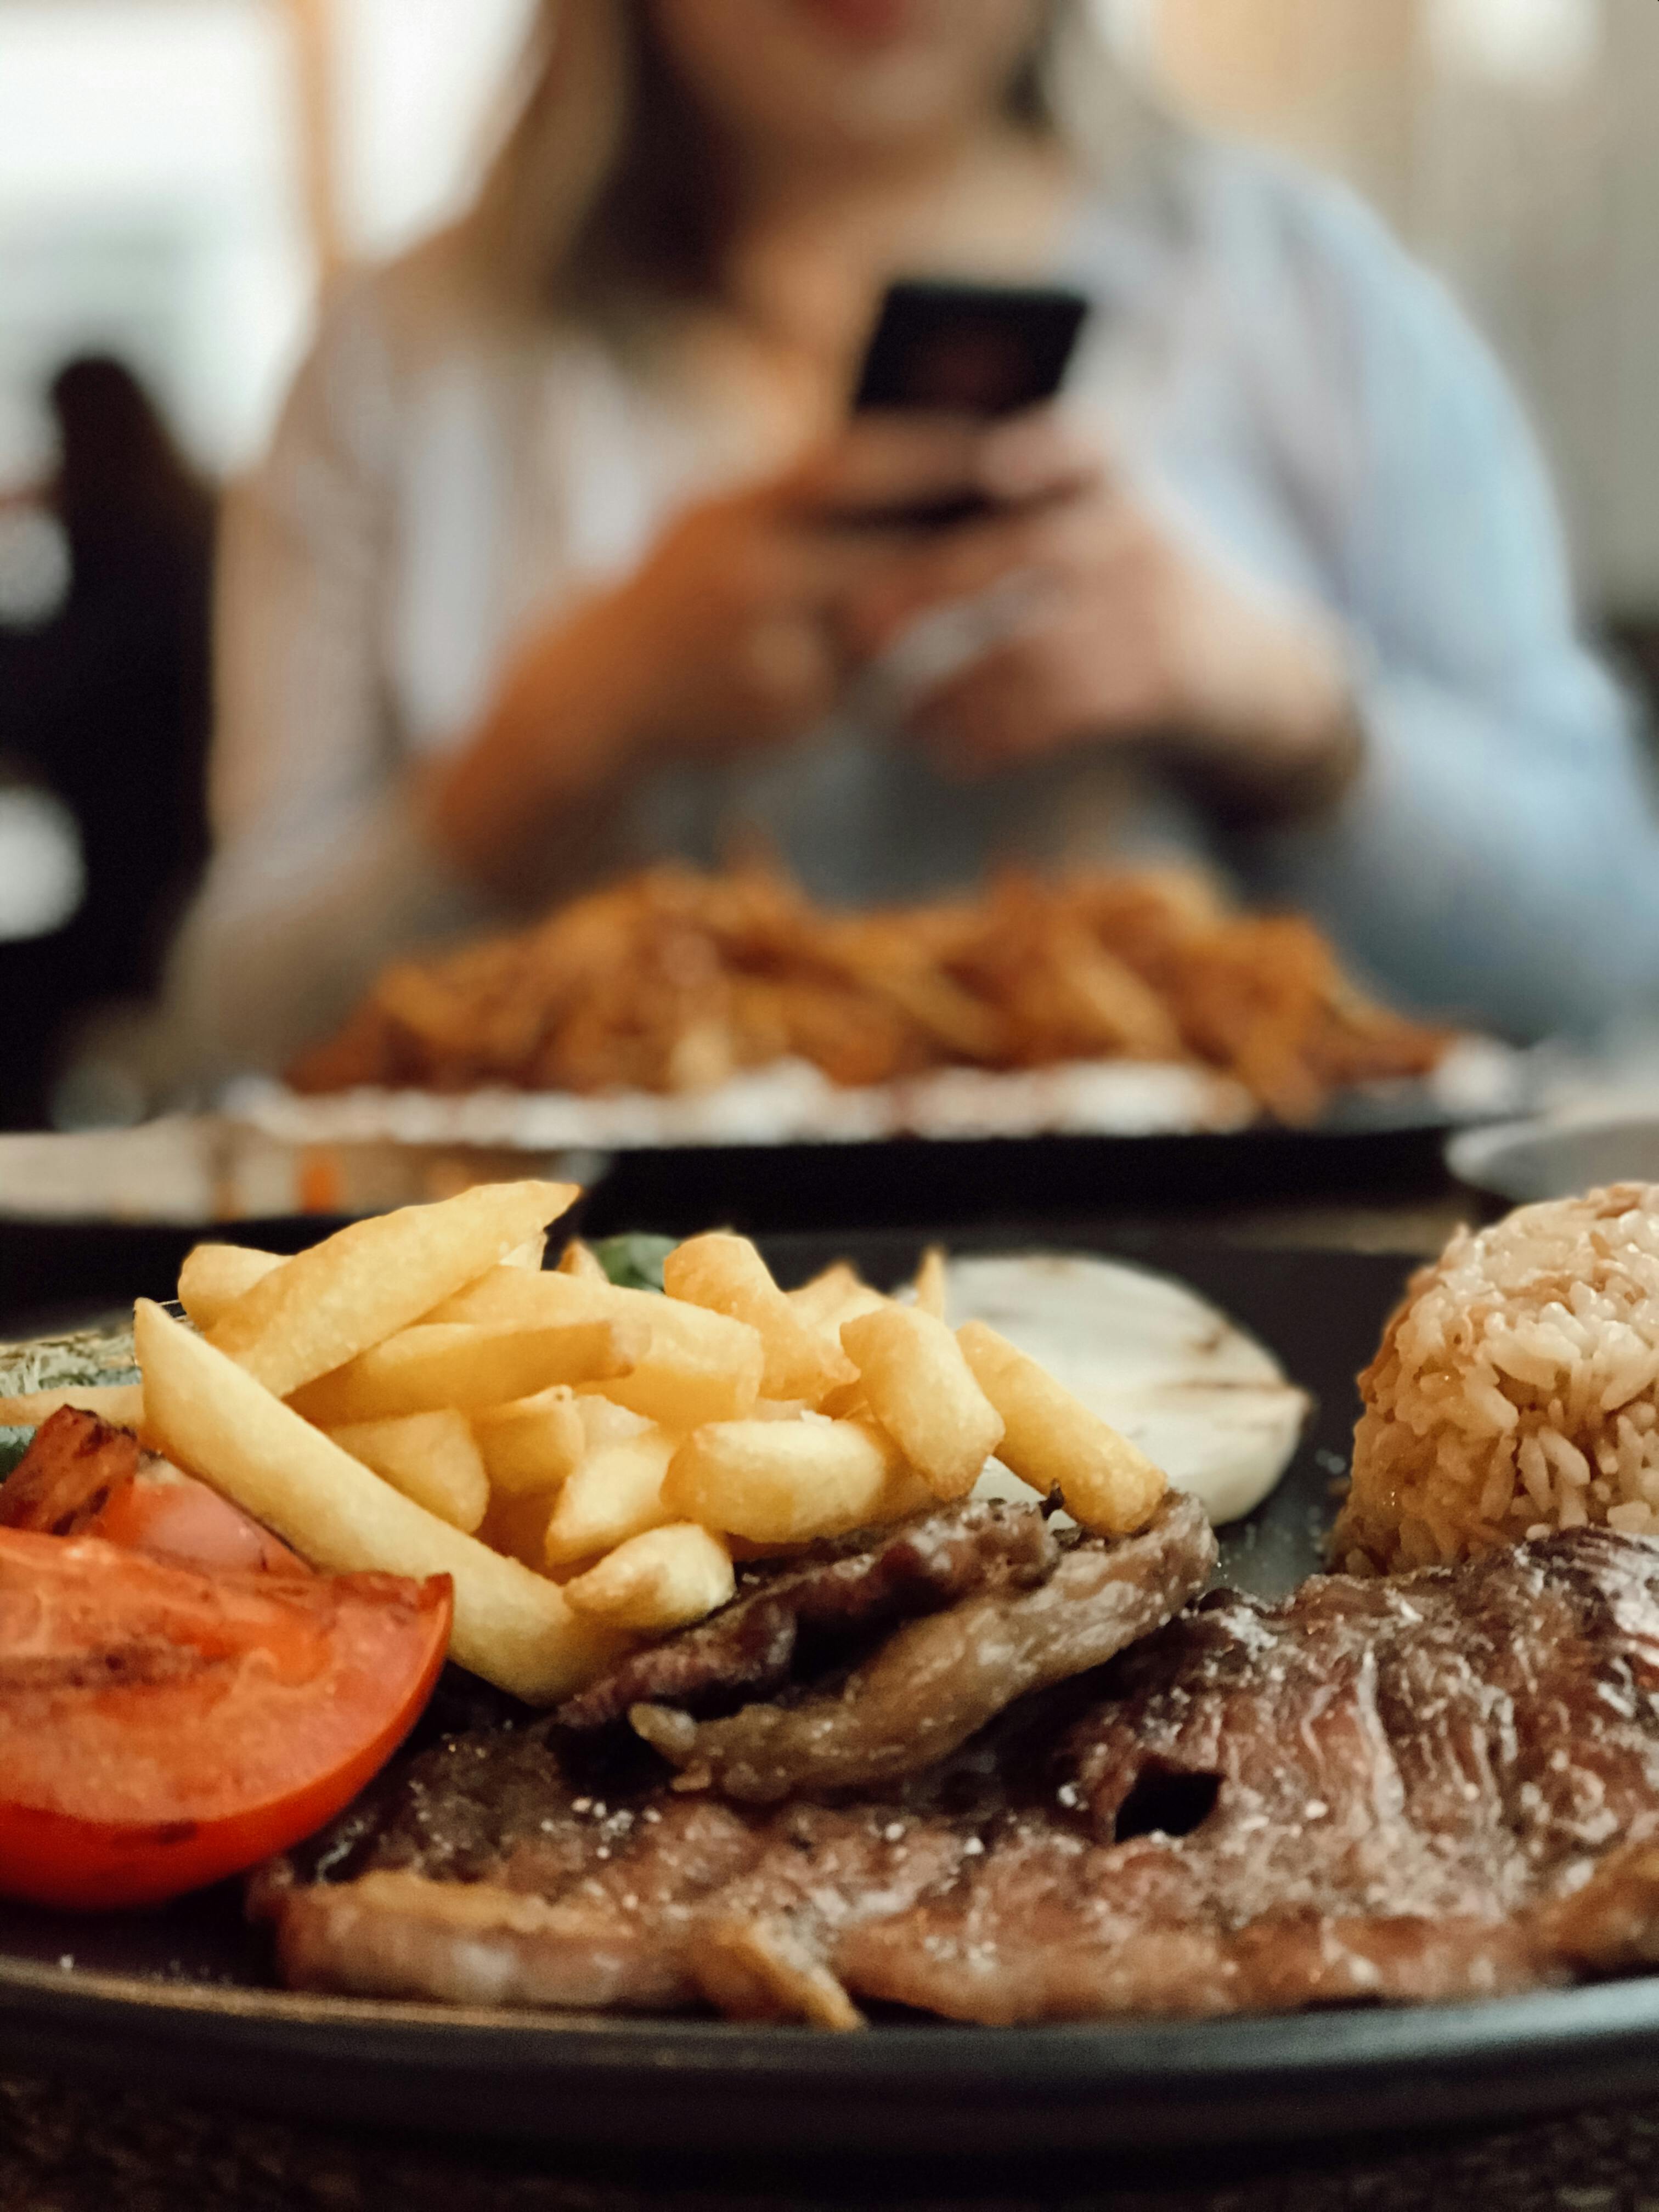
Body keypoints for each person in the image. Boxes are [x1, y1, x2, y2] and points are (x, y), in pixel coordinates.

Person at [167, 0, 1659, 1082]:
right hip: (593, 1361)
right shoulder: (397, 368)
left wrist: (1291, 717)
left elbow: (1610, 945)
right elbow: (230, 1031)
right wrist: (567, 728)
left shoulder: (1315, 299)